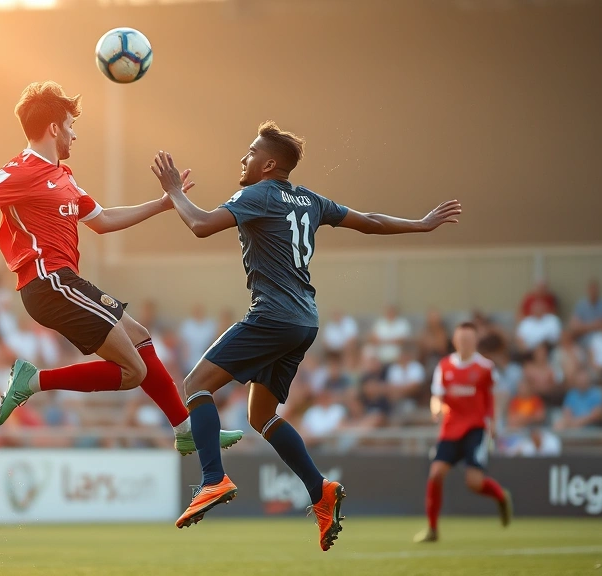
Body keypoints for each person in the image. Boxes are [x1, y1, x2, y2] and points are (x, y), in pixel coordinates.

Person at [0, 81, 243, 455]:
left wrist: (163, 204)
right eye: (70, 125)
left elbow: (103, 219)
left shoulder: (64, 176)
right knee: (134, 372)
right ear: (53, 128)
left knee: (141, 338)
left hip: (65, 282)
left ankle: (185, 429)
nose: (74, 134)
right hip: (47, 282)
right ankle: (33, 381)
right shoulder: (21, 170)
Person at [149, 121, 461, 549]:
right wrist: (420, 224)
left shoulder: (257, 194)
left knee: (195, 384)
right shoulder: (309, 199)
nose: (244, 158)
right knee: (261, 416)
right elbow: (369, 221)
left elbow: (201, 225)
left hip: (273, 316)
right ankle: (320, 491)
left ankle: (212, 478)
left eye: (251, 152)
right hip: (305, 322)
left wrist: (174, 192)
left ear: (269, 164)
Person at [415, 322, 512, 543]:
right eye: (461, 340)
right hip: (450, 429)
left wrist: (494, 421)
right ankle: (432, 529)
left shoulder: (485, 367)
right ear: (455, 341)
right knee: (435, 473)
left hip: (476, 429)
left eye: (468, 340)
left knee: (474, 482)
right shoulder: (445, 366)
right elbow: (436, 396)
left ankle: (500, 496)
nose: (464, 344)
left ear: (475, 342)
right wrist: (436, 409)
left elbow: (496, 394)